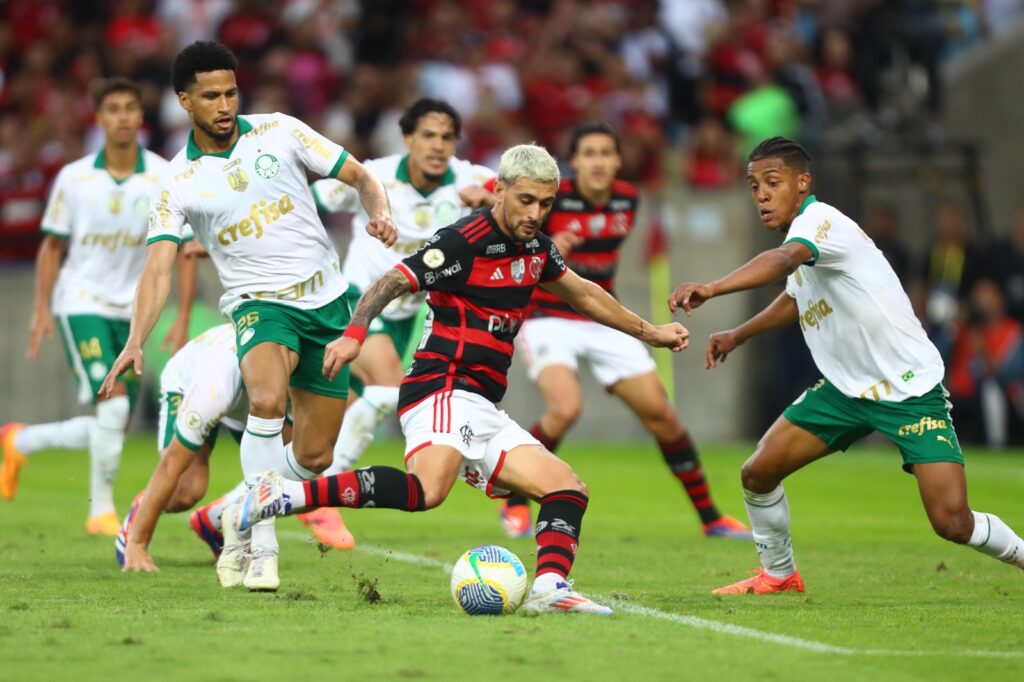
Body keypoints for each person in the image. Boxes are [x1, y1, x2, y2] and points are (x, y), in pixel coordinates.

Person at [235, 144, 690, 615]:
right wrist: (354, 335)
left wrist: (650, 332)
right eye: (526, 200)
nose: (535, 214)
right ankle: (284, 494)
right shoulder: (463, 240)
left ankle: (549, 588)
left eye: (546, 203)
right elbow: (393, 279)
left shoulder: (537, 248)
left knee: (566, 489)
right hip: (441, 386)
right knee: (428, 490)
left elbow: (585, 294)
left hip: (482, 403)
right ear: (500, 190)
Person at [99, 41, 397, 592]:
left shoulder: (280, 131)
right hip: (259, 305)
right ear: (184, 101)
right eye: (210, 96)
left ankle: (225, 513)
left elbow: (360, 176)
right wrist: (136, 338)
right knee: (265, 400)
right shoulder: (178, 181)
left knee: (314, 457)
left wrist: (379, 211)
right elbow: (158, 269)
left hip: (327, 304)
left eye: (231, 93)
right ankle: (260, 546)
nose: (224, 105)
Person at [668, 136, 1024, 595]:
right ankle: (780, 574)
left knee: (953, 522)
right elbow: (795, 298)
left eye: (773, 183)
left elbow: (783, 261)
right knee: (757, 472)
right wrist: (738, 335)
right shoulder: (804, 242)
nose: (762, 195)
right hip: (844, 391)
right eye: (754, 186)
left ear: (802, 183)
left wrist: (713, 288)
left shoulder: (821, 223)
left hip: (907, 389)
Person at [503, 121, 750, 540]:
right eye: (589, 154)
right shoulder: (552, 199)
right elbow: (516, 245)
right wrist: (546, 245)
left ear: (618, 160)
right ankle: (514, 504)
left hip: (604, 319)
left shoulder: (627, 199)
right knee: (565, 410)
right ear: (574, 161)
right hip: (549, 316)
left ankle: (712, 519)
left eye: (606, 153)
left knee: (663, 418)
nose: (598, 162)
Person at [1, 77, 195, 535]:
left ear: (141, 116)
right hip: (81, 301)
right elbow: (52, 246)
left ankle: (19, 440)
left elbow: (184, 249)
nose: (122, 117)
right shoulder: (74, 178)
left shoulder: (164, 175)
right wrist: (41, 308)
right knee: (113, 410)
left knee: (115, 421)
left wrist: (183, 315)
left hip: (133, 312)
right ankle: (100, 512)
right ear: (100, 118)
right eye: (113, 109)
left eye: (130, 108)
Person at [310, 98, 495, 476]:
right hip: (359, 299)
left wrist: (492, 201)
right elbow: (308, 200)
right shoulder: (373, 176)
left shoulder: (470, 180)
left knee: (327, 424)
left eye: (447, 137)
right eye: (428, 135)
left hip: (406, 316)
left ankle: (282, 488)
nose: (438, 145)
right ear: (408, 138)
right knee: (389, 388)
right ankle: (324, 494)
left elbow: (526, 204)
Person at [116, 324, 356, 585]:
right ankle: (136, 524)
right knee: (187, 489)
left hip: (257, 395)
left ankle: (215, 519)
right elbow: (171, 464)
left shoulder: (300, 365)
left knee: (302, 486)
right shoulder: (214, 387)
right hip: (190, 382)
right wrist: (138, 543)